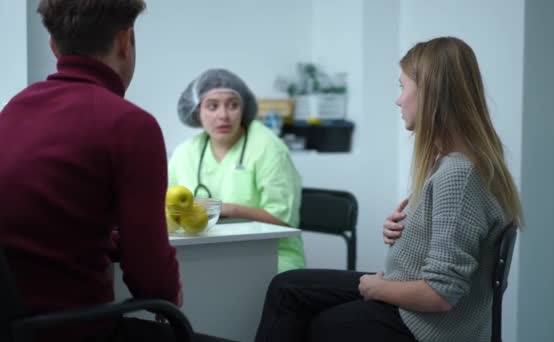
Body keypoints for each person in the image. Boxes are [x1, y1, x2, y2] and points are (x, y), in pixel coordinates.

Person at [254, 36, 523, 342]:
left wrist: (377, 287)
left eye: (402, 87)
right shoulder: (454, 161)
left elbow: (441, 294)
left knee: (323, 324)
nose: (398, 100)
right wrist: (405, 231)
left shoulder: (458, 173)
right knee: (287, 287)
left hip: (427, 326)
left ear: (431, 94)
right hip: (409, 296)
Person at [0, 1, 230, 341]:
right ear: (126, 41)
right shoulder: (131, 125)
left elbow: (42, 223)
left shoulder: (13, 111)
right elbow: (151, 279)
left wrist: (109, 242)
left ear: (53, 46)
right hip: (80, 329)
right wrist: (168, 292)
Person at [170, 69, 305, 273]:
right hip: (205, 252)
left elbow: (284, 221)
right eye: (212, 106)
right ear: (197, 111)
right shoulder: (185, 153)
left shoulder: (268, 147)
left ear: (244, 110)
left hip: (271, 254)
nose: (223, 115)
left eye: (233, 105)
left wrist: (226, 209)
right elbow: (168, 210)